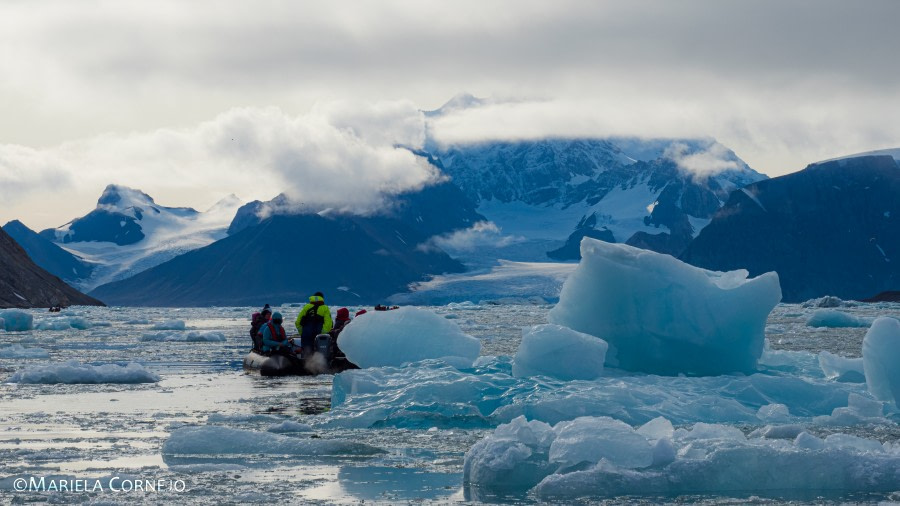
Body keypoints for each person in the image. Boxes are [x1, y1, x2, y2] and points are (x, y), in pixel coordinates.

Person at [295, 292, 332, 357]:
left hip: (306, 333)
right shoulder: (325, 308)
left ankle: (305, 365)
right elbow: (328, 323)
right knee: (319, 353)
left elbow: (298, 322)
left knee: (306, 353)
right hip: (319, 334)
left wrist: (302, 332)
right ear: (322, 298)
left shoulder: (306, 307)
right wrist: (322, 333)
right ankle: (320, 365)